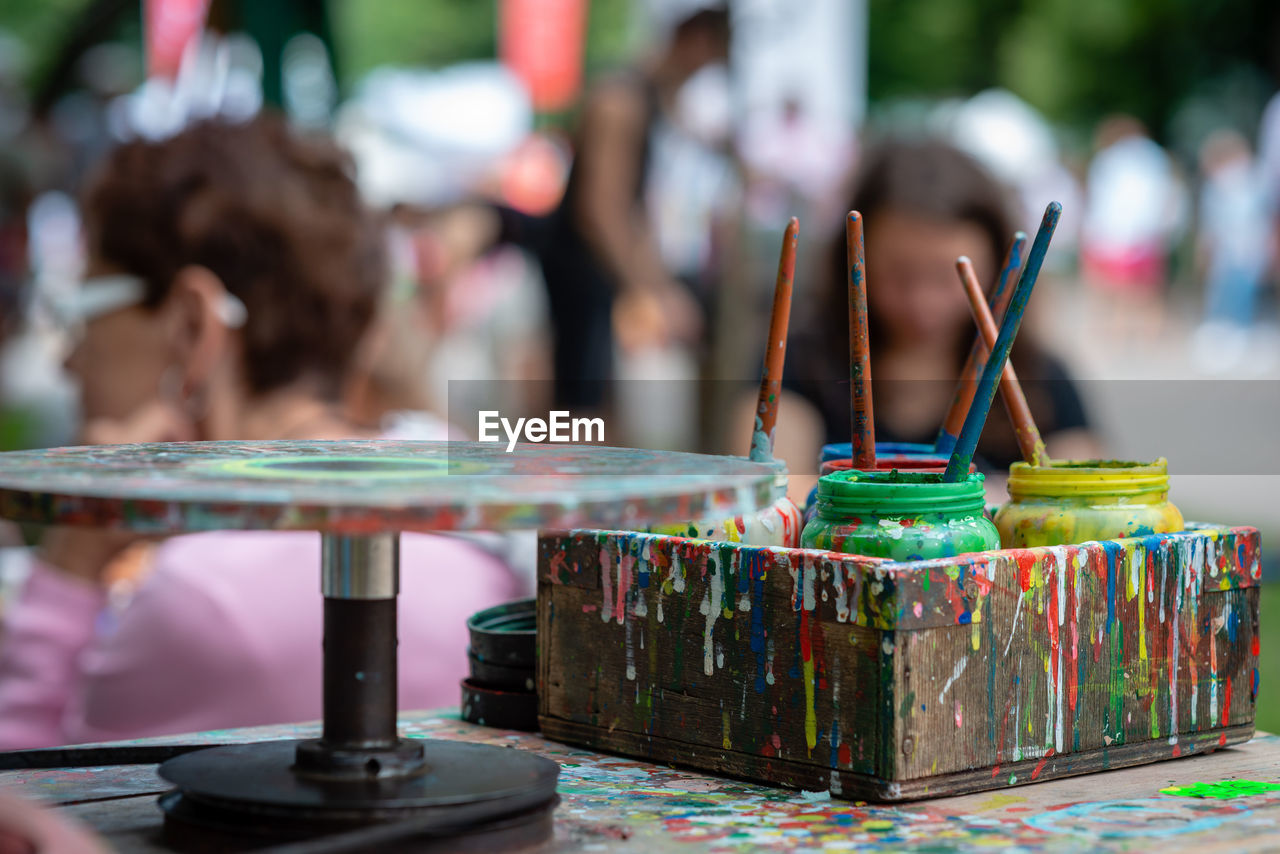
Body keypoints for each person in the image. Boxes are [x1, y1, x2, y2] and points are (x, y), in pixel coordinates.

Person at [0, 115, 519, 749]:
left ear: (192, 324)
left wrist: (71, 563)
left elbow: (26, 804)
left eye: (83, 312)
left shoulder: (203, 600)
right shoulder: (478, 508)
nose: (68, 359)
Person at [769, 139, 1101, 503]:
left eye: (950, 279)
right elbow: (773, 493)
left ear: (999, 270)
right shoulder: (798, 361)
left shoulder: (1037, 377)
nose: (923, 305)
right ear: (851, 262)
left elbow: (1084, 504)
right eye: (899, 275)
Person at [492, 3, 729, 411]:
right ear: (695, 37)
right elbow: (601, 211)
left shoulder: (651, 97)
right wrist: (657, 289)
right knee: (575, 417)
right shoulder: (621, 98)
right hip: (577, 276)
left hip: (594, 277)